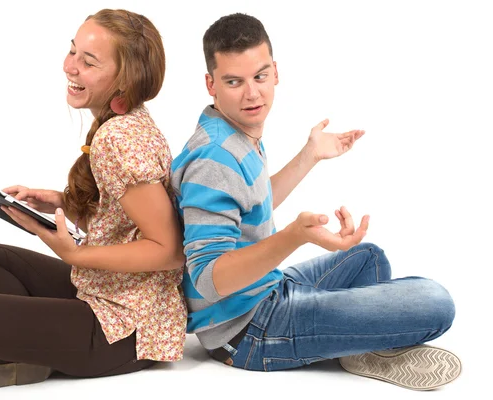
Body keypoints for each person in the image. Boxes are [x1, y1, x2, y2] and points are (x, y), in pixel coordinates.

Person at [170, 13, 460, 390]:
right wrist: (294, 235)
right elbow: (209, 279)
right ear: (211, 84)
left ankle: (349, 344)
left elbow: (250, 205)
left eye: (259, 76)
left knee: (369, 258)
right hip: (249, 330)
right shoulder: (214, 158)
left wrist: (310, 155)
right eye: (233, 82)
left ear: (275, 71)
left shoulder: (233, 132)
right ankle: (349, 343)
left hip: (268, 287)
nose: (252, 93)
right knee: (437, 302)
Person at [0, 9, 187, 391]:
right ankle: (33, 355)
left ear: (124, 79)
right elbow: (127, 219)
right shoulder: (124, 120)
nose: (71, 67)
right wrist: (60, 202)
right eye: (72, 52)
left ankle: (39, 355)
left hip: (126, 330)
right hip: (112, 294)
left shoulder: (118, 139)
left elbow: (169, 250)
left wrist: (76, 255)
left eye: (89, 61)